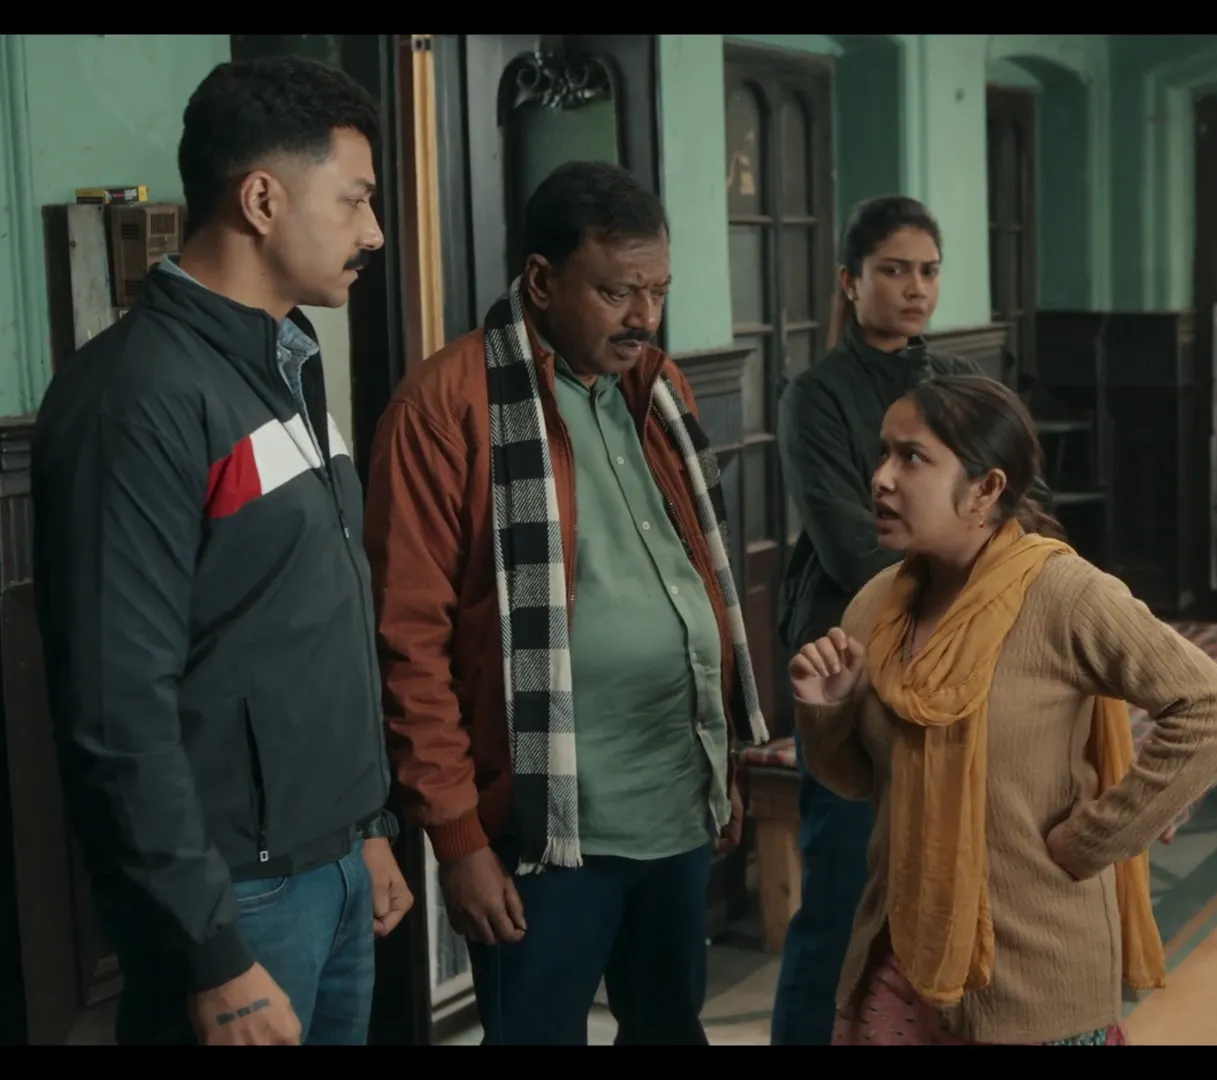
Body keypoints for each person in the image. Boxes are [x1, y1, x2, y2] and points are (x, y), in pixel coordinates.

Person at [31, 56, 411, 1047]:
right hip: (238, 903)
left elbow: (301, 627)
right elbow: (116, 707)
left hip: (332, 870)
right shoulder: (137, 398)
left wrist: (364, 829)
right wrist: (209, 951)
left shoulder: (283, 361)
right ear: (261, 199)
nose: (374, 231)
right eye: (356, 199)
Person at [365, 160, 769, 1046]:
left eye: (658, 291)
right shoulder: (444, 407)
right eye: (617, 292)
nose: (645, 317)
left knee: (668, 1029)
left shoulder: (659, 388)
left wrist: (723, 763)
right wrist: (460, 842)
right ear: (542, 282)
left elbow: (699, 580)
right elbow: (409, 647)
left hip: (675, 795)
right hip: (544, 827)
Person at [790, 374, 1217, 1045]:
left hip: (1035, 974)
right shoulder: (878, 606)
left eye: (912, 457)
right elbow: (861, 782)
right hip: (902, 960)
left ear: (986, 488)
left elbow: (1214, 709)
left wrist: (1090, 840)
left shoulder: (1064, 595)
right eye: (883, 453)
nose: (882, 478)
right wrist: (827, 712)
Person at [770, 194, 978, 1045]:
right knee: (842, 892)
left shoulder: (959, 386)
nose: (915, 287)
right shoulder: (815, 395)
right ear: (852, 281)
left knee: (944, 887)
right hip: (850, 656)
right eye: (894, 271)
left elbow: (1012, 508)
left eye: (928, 271)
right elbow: (852, 543)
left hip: (958, 656)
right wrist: (964, 584)